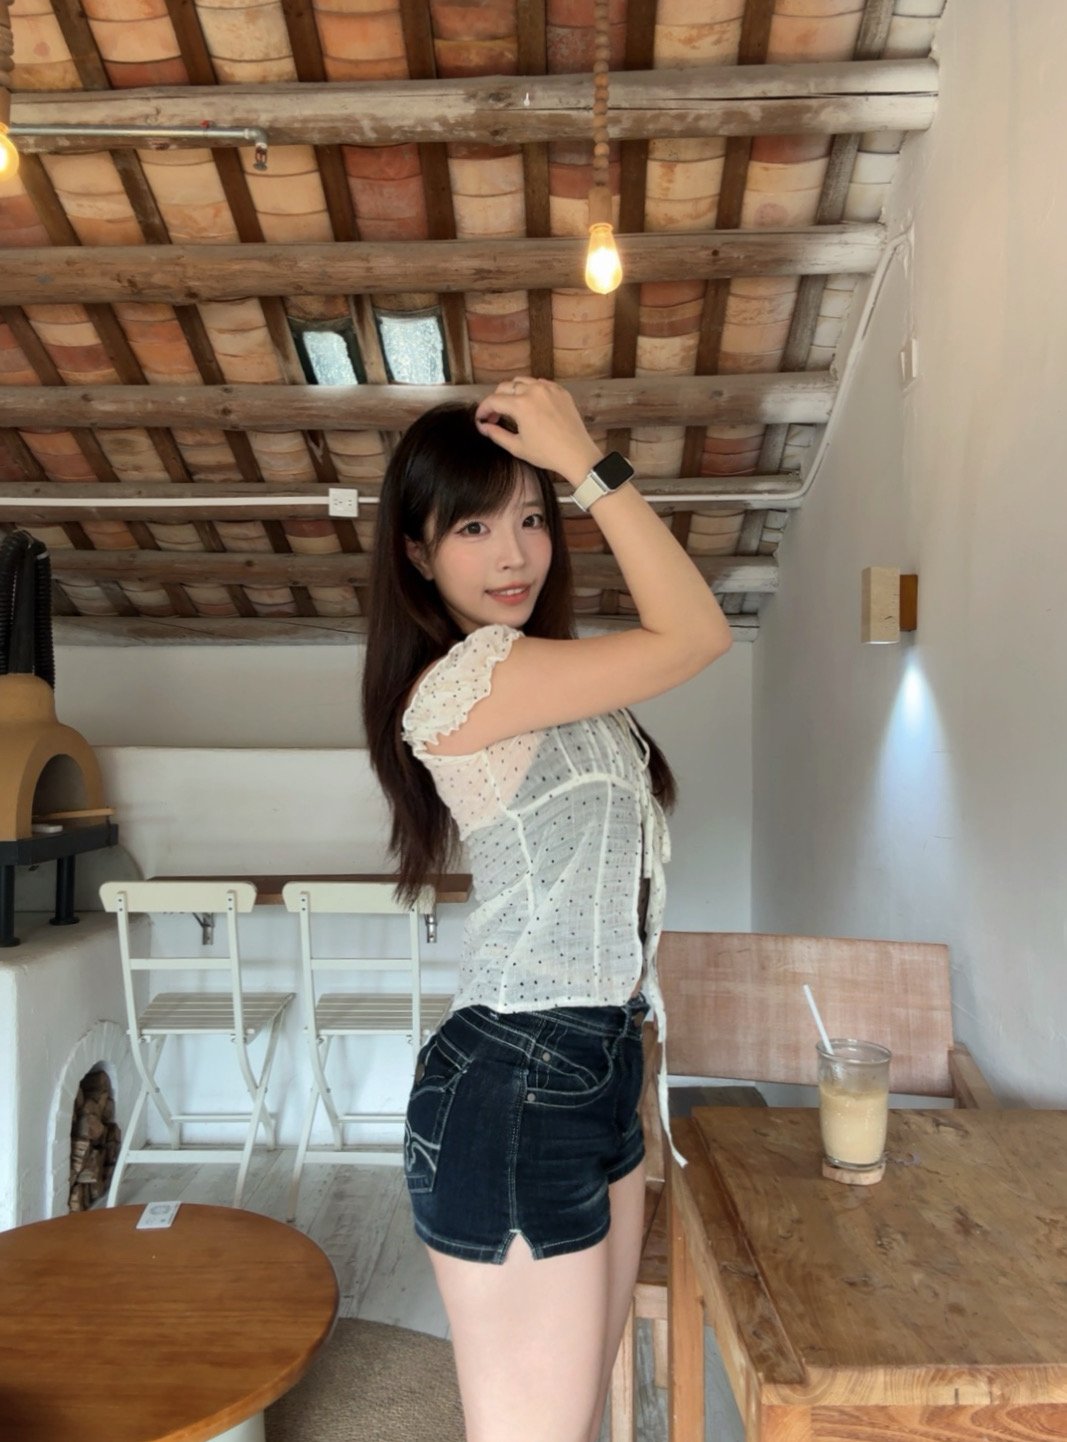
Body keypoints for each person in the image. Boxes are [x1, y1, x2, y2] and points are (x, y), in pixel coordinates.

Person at [362, 376, 732, 1442]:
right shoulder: (465, 681)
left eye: (532, 517)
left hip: (596, 1064)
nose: (514, 552)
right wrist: (582, 462)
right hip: (517, 1078)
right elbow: (697, 633)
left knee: (573, 1418)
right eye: (474, 527)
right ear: (417, 552)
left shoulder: (557, 680)